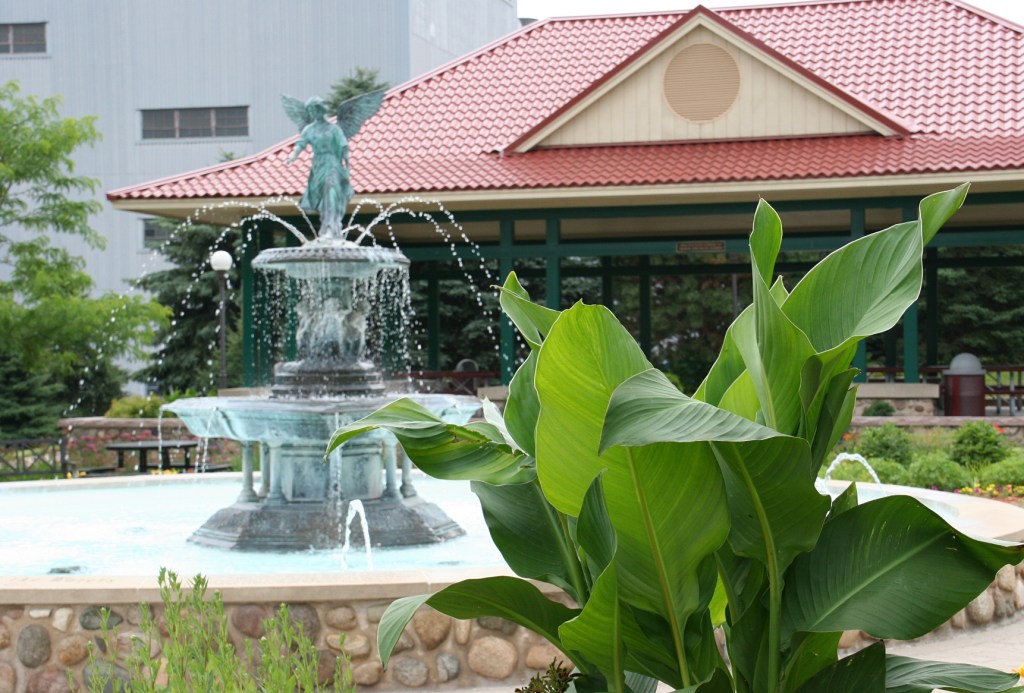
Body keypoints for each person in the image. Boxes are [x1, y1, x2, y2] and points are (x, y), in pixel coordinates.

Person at [285, 97, 352, 239]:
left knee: (331, 190)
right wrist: (293, 156)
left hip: (332, 163)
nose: (313, 113)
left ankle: (331, 228)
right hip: (318, 165)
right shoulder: (308, 129)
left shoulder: (334, 129)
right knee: (322, 195)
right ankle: (326, 225)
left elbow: (344, 147)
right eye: (310, 110)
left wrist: (347, 169)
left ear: (321, 109)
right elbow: (300, 144)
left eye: (314, 109)